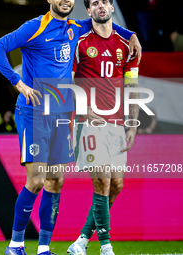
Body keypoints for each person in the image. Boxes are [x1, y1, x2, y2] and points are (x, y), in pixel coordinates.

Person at [0, 0, 141, 254]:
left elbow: (102, 23)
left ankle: (44, 248)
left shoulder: (73, 27)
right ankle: (15, 245)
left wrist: (131, 35)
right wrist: (19, 83)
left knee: (55, 182)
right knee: (36, 180)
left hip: (60, 115)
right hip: (34, 112)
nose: (66, 0)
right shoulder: (34, 27)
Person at [67, 0, 139, 254]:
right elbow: (68, 82)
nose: (101, 6)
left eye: (106, 2)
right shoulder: (80, 43)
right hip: (90, 123)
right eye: (95, 2)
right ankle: (105, 246)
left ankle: (81, 241)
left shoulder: (126, 46)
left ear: (111, 7)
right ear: (88, 11)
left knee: (117, 185)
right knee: (103, 182)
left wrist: (132, 123)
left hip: (117, 124)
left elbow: (131, 86)